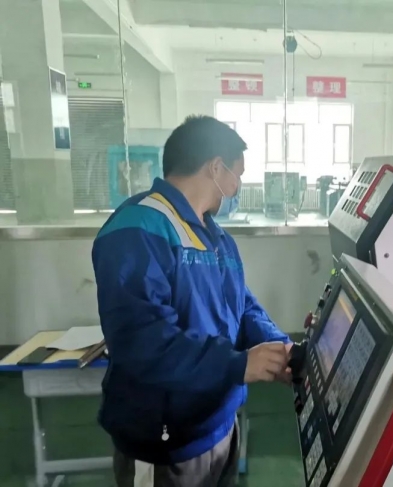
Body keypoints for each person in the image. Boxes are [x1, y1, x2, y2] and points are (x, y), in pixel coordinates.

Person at [92, 115, 293, 487]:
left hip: (218, 425)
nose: (236, 187)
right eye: (237, 175)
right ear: (215, 168)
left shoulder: (215, 236)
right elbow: (143, 343)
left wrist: (279, 346)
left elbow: (242, 305)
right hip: (164, 441)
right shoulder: (139, 229)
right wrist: (237, 364)